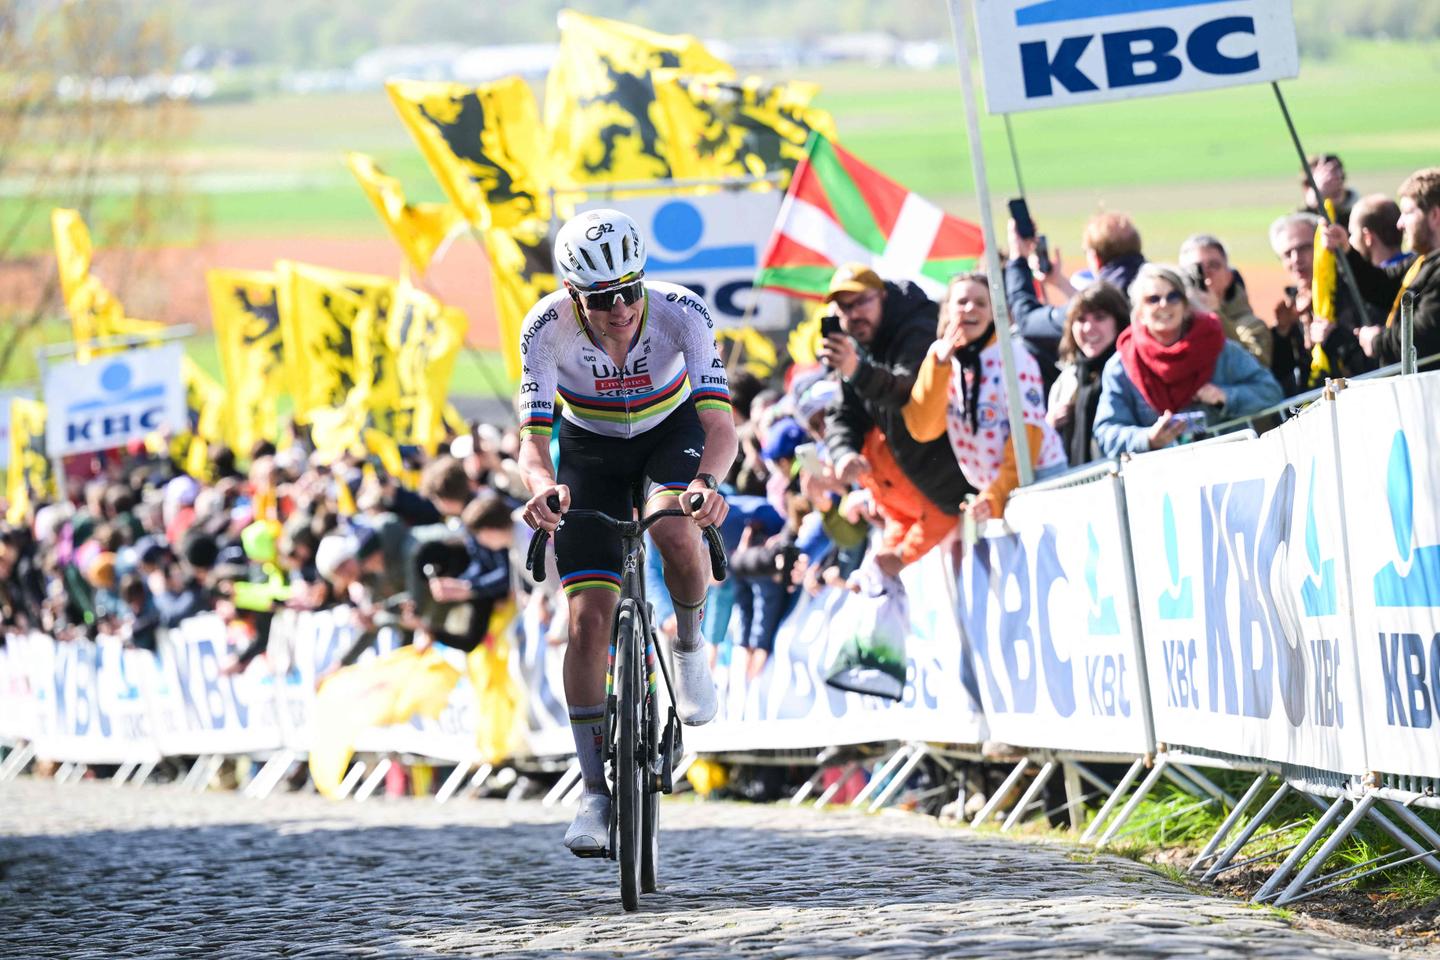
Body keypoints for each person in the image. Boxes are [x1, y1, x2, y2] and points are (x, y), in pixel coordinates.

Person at [515, 208, 737, 854]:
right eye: (603, 299)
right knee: (586, 621)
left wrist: (709, 486)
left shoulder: (682, 313)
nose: (621, 309)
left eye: (630, 290)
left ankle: (690, 650)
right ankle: (593, 792)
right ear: (573, 296)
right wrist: (540, 491)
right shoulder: (544, 328)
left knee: (673, 529)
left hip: (672, 434)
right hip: (589, 450)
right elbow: (531, 444)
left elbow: (721, 428)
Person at [820, 263, 971, 578]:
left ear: (883, 297)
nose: (853, 314)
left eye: (861, 302)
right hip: (931, 497)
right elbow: (843, 415)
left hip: (961, 484)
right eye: (844, 307)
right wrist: (844, 453)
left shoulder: (917, 325)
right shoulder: (857, 346)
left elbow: (908, 389)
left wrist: (856, 369)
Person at [904, 272, 1068, 523]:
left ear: (993, 312)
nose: (970, 308)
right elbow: (923, 428)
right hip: (992, 490)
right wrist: (939, 367)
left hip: (1036, 476)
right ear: (947, 309)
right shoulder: (940, 359)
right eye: (961, 302)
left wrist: (996, 494)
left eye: (981, 303)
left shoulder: (1013, 357)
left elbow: (1027, 435)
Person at [1093, 264, 1283, 456]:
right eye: (1153, 299)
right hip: (1161, 479)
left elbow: (1271, 392)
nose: (1164, 304)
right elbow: (1106, 432)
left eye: (1173, 296)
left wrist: (1225, 396)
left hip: (1226, 466)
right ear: (1139, 312)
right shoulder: (1123, 364)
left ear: (1185, 307)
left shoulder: (1218, 348)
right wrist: (1148, 438)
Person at [1007, 212, 1147, 388]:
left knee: (1022, 342)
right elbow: (1098, 302)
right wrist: (1060, 283)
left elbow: (1027, 321)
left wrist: (1018, 258)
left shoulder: (1109, 298)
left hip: (1113, 392)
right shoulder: (1158, 288)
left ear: (1095, 258)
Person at [1323, 167, 1440, 367]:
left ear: (1435, 215)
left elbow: (1426, 334)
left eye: (1407, 213)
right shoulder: (1423, 261)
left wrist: (1379, 341)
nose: (1400, 224)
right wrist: (1347, 250)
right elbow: (1381, 285)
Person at [1268, 213, 1372, 395]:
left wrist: (1334, 337)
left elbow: (1372, 360)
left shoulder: (1351, 291)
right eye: (1287, 254)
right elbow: (1282, 378)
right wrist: (1283, 334)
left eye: (1304, 248)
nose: (1295, 259)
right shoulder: (1291, 307)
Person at [1045, 282, 1130, 467]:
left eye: (1100, 318)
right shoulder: (1066, 380)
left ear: (1119, 322)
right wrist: (1049, 427)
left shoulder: (1131, 372)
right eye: (1081, 320)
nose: (1088, 328)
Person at [1177, 234, 1270, 366]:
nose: (1205, 274)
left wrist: (1215, 314)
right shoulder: (1173, 322)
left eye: (1213, 265)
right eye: (1195, 269)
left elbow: (1257, 366)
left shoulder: (1250, 324)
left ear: (1229, 276)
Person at [1348, 194, 1412, 270]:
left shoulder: (1370, 279)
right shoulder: (1419, 264)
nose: (1350, 240)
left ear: (1367, 237)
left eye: (1352, 234)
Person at [1301, 153, 1360, 228]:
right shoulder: (1302, 217)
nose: (1334, 186)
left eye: (1340, 178)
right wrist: (1314, 202)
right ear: (1307, 186)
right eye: (1326, 182)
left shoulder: (1356, 215)